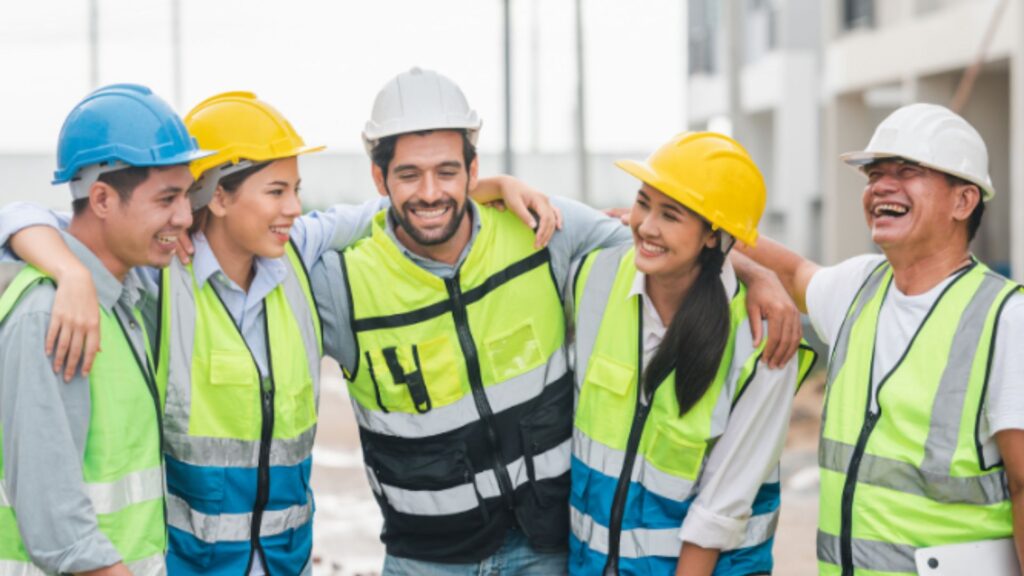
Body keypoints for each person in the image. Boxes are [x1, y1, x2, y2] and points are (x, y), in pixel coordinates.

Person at [0, 90, 558, 576]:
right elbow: (52, 222)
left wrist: (492, 184)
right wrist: (69, 271)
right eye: (275, 192)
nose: (294, 207)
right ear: (216, 197)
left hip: (288, 561)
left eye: (296, 189)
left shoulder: (299, 257)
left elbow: (398, 207)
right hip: (192, 565)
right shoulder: (161, 277)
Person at [309, 67, 803, 575]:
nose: (430, 191)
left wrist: (754, 271)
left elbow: (670, 250)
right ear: (379, 178)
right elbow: (275, 245)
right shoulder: (344, 283)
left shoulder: (546, 239)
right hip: (428, 560)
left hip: (544, 553)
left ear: (473, 170)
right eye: (409, 174)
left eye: (448, 171)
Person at [740, 103, 1024, 575]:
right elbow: (787, 269)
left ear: (964, 202)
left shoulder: (1005, 318)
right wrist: (669, 227)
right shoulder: (859, 286)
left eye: (907, 171)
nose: (881, 186)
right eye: (875, 173)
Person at [567, 132, 816, 576]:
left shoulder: (761, 338)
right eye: (643, 202)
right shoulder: (595, 274)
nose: (646, 225)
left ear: (712, 235)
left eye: (671, 214)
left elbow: (720, 509)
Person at [0, 84, 211, 575]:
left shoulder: (124, 293)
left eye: (188, 195)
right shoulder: (46, 315)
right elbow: (58, 524)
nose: (184, 218)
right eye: (168, 199)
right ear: (101, 199)